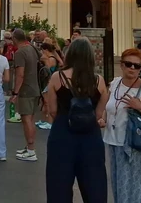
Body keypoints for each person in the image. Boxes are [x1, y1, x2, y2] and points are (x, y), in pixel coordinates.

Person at [43, 37, 109, 203]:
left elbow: (52, 110)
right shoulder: (98, 81)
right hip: (90, 137)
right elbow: (100, 113)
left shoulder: (58, 78)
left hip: (63, 134)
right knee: (95, 186)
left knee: (59, 187)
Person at [103, 48, 141, 203]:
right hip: (113, 142)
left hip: (134, 145)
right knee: (119, 185)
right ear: (122, 65)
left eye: (136, 66)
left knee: (136, 188)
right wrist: (102, 119)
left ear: (140, 69)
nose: (132, 68)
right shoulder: (115, 83)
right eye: (128, 64)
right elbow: (108, 107)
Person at [10, 28, 40, 162]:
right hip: (35, 88)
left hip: (26, 90)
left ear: (15, 39)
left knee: (26, 119)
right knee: (31, 119)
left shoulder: (20, 53)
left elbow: (20, 74)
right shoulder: (32, 49)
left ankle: (31, 151)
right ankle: (29, 146)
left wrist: (15, 93)